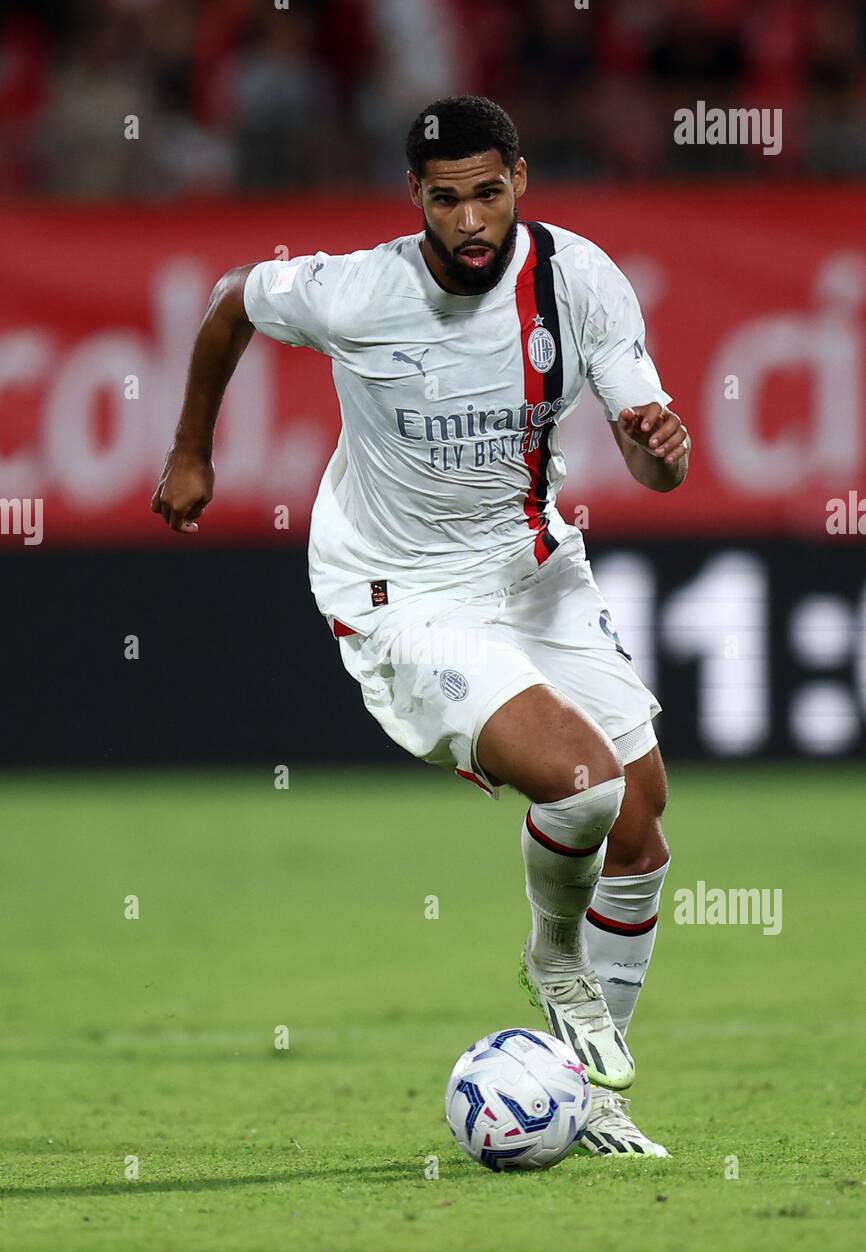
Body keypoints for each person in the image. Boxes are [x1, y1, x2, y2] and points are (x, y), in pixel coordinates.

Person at [152, 95, 691, 1158]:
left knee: (640, 822)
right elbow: (229, 303)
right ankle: (552, 956)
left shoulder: (577, 280)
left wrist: (659, 453)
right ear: (416, 200)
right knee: (583, 784)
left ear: (519, 181)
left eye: (487, 192)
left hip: (531, 572)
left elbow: (650, 454)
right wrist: (190, 449)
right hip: (402, 592)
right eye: (446, 200)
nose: (471, 220)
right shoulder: (355, 289)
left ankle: (587, 1088)